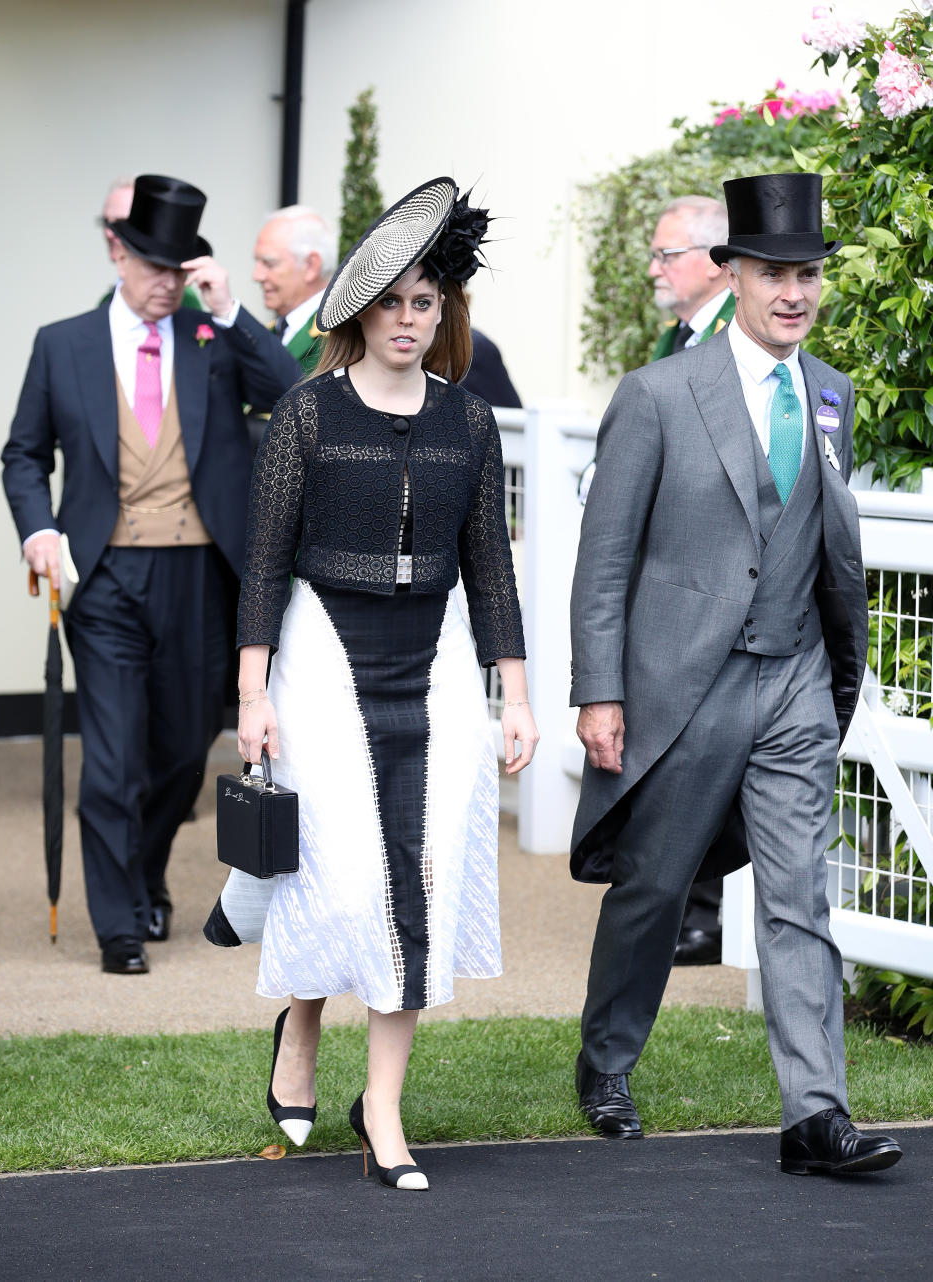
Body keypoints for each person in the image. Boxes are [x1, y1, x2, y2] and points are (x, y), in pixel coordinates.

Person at [569, 172, 903, 1176]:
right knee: (656, 886)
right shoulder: (660, 395)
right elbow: (606, 556)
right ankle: (606, 1062)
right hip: (685, 687)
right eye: (773, 273)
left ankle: (816, 1114)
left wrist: (834, 668)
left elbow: (823, 539)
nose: (793, 292)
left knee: (800, 896)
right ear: (736, 277)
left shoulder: (832, 393)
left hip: (797, 679)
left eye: (806, 275)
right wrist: (600, 690)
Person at [208, 177, 537, 1191]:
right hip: (321, 652)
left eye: (425, 302)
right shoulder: (307, 415)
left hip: (432, 658)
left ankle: (383, 1108)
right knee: (343, 875)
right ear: (359, 309)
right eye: (391, 300)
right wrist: (252, 696)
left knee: (423, 873)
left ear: (445, 313)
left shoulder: (470, 423)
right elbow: (263, 561)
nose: (408, 318)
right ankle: (300, 1022)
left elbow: (493, 568)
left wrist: (514, 694)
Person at [2, 174, 300, 974]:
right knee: (112, 759)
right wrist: (37, 526)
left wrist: (233, 313)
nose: (168, 283)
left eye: (182, 269)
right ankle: (119, 926)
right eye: (154, 267)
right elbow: (24, 454)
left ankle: (147, 868)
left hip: (201, 574)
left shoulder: (213, 342)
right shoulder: (60, 344)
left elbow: (297, 394)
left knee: (179, 753)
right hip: (103, 580)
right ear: (119, 255)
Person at [648, 195, 735, 966]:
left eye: (666, 255)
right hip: (674, 577)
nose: (655, 268)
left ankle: (704, 912)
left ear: (713, 261)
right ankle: (680, 902)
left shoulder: (735, 339)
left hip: (725, 579)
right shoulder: (679, 335)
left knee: (711, 750)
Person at [648, 195, 735, 360]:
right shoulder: (674, 334)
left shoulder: (744, 333)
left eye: (667, 254)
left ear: (713, 262)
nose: (653, 271)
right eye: (654, 255)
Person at [252, 204, 335, 375]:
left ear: (311, 266)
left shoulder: (338, 338)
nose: (257, 276)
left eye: (269, 263)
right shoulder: (273, 331)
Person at [98, 177, 202, 310]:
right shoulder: (109, 298)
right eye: (107, 222)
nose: (109, 233)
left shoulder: (175, 297)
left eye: (121, 224)